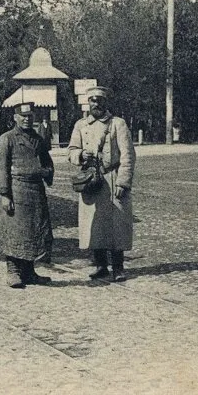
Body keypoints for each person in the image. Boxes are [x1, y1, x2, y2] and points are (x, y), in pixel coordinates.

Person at [68, 86, 136, 282]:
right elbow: (71, 151)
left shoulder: (118, 124)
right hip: (91, 180)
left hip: (112, 178)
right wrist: (80, 155)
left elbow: (128, 155)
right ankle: (100, 266)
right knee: (94, 224)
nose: (96, 104)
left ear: (105, 102)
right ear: (88, 103)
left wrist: (123, 182)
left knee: (117, 225)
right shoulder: (81, 125)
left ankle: (118, 267)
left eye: (99, 100)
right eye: (92, 100)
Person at [0, 102, 54, 288]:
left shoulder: (38, 139)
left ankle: (29, 272)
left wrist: (46, 172)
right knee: (14, 231)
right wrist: (4, 194)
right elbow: (0, 168)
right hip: (16, 190)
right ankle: (13, 271)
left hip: (36, 192)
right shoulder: (6, 139)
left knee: (33, 231)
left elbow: (47, 162)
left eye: (29, 116)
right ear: (15, 117)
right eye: (23, 116)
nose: (26, 119)